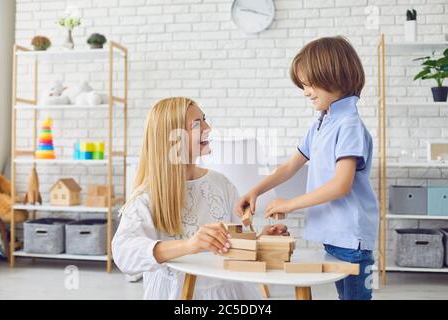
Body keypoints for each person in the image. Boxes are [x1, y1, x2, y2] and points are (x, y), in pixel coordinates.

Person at [238, 36, 378, 300]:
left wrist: (290, 204)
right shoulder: (321, 124)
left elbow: (341, 184)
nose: (305, 92)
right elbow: (291, 165)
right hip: (335, 236)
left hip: (352, 238)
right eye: (303, 85)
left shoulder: (349, 125)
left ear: (335, 76)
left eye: (309, 84)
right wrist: (255, 190)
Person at [112, 97, 288, 299]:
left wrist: (261, 241)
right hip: (178, 293)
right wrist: (189, 245)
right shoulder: (146, 197)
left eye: (204, 120)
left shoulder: (221, 183)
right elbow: (124, 254)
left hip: (228, 292)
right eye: (197, 124)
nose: (208, 127)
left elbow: (236, 243)